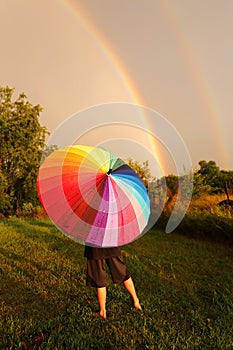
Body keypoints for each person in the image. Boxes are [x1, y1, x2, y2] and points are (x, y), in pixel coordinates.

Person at [84, 245, 142, 319]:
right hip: (111, 244)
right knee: (122, 273)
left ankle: (102, 311)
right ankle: (136, 301)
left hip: (94, 247)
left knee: (99, 278)